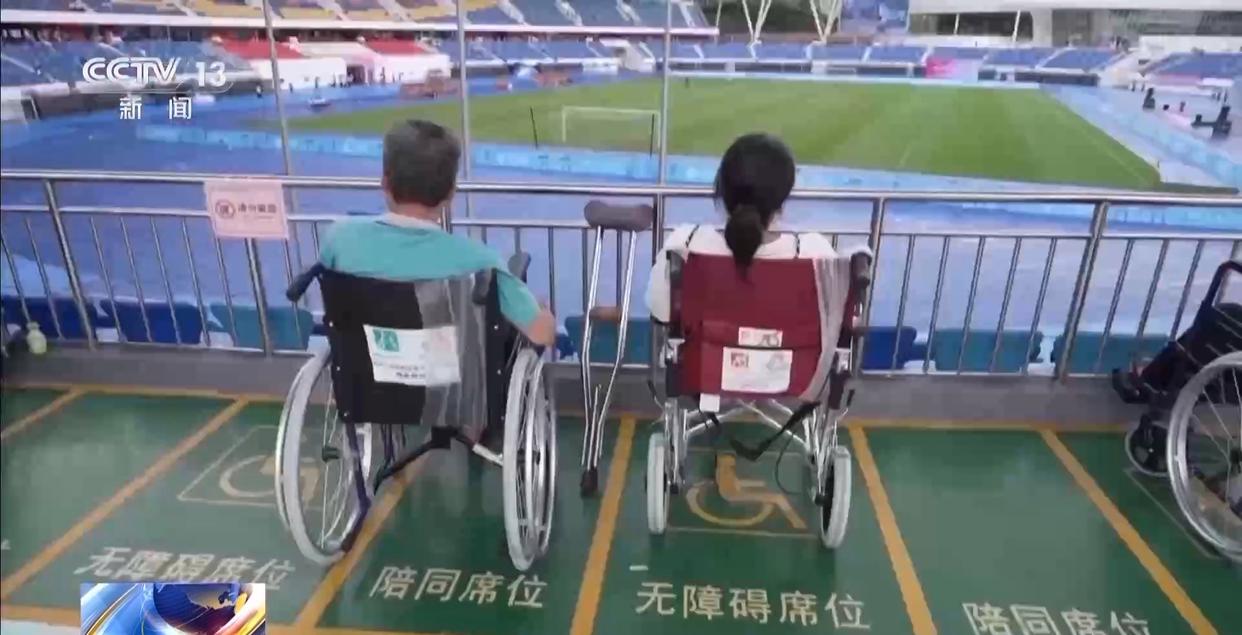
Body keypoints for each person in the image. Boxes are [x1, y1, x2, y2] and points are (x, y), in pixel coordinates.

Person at [319, 119, 557, 346]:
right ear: (451, 193)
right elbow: (542, 334)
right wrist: (543, 311)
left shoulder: (339, 240)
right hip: (450, 373)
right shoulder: (480, 263)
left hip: (364, 369)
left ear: (385, 183)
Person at [645, 132, 840, 323]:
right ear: (783, 196)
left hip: (702, 346)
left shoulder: (684, 244)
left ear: (723, 188)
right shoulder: (816, 254)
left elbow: (660, 312)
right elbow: (838, 323)